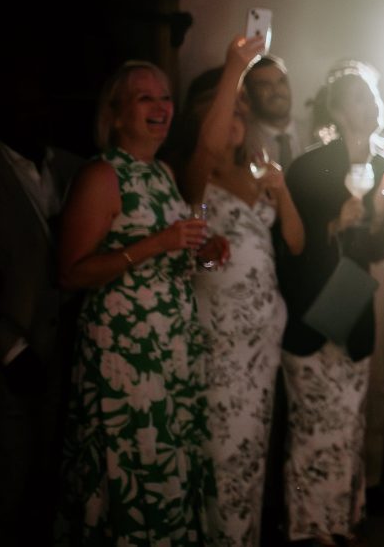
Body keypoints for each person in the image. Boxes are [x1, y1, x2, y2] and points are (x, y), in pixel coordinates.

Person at [57, 35, 262, 544]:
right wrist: (158, 243)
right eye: (144, 97)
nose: (161, 106)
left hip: (170, 350)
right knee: (133, 470)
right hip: (125, 356)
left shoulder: (163, 174)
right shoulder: (101, 175)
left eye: (165, 97)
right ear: (116, 114)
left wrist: (200, 251)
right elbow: (71, 273)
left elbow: (171, 250)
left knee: (168, 467)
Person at [170, 65, 305, 546]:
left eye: (244, 105)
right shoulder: (193, 175)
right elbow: (195, 249)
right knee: (219, 451)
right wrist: (207, 256)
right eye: (228, 103)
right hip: (219, 336)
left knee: (250, 454)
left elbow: (295, 242)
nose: (239, 112)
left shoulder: (258, 170)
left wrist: (281, 190)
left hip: (263, 337)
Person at [276, 60, 384, 544]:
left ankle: (341, 523)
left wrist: (380, 219)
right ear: (338, 110)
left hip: (353, 306)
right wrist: (332, 225)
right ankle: (308, 528)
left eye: (373, 97)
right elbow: (287, 246)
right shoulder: (309, 168)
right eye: (359, 98)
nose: (371, 105)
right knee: (312, 425)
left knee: (348, 424)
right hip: (309, 306)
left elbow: (378, 250)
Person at [0, 66, 84, 545]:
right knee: (11, 478)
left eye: (42, 102)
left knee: (57, 482)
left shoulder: (74, 168)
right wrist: (9, 349)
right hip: (14, 353)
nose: (35, 112)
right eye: (22, 102)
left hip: (72, 351)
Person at [245, 54, 305, 167]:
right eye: (264, 85)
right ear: (249, 93)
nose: (276, 90)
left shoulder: (315, 130)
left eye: (281, 82)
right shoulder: (244, 144)